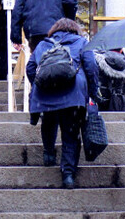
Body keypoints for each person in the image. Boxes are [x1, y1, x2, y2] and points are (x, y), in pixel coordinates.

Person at [26, 18, 99, 189]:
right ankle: (67, 174)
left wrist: (40, 83)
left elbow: (30, 68)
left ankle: (49, 154)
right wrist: (92, 92)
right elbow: (91, 67)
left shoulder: (44, 44)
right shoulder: (81, 42)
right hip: (72, 95)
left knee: (49, 122)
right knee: (70, 133)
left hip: (46, 94)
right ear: (75, 29)